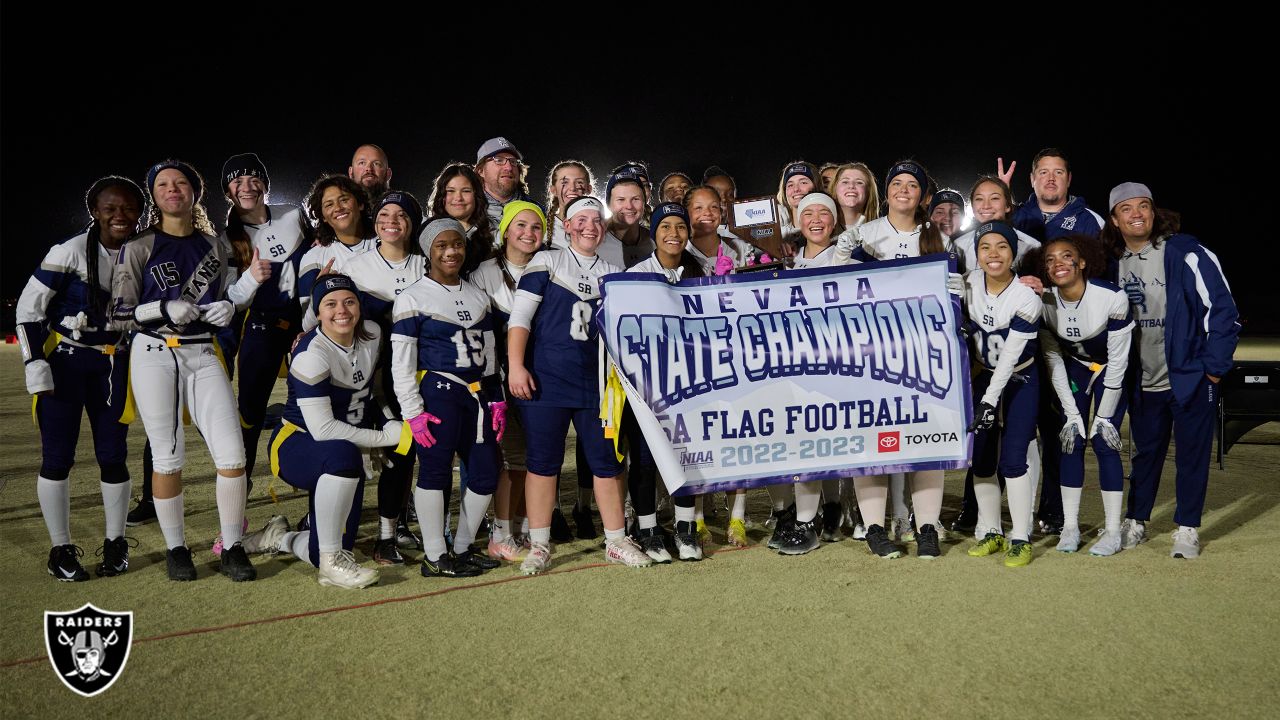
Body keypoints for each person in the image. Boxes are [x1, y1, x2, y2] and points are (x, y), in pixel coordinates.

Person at [109, 159, 254, 582]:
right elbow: (119, 313)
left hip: (203, 351)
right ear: (154, 195)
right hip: (154, 352)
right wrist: (160, 307)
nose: (173, 189)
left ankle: (232, 546)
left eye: (181, 183)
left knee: (232, 455)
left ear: (195, 191)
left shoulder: (216, 246)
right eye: (164, 185)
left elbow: (227, 298)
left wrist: (230, 305)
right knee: (168, 458)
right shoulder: (137, 247)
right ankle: (176, 549)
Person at [506, 196, 653, 573]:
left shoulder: (612, 269)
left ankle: (616, 539)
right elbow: (520, 317)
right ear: (567, 226)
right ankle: (539, 544)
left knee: (606, 464)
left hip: (596, 384)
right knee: (543, 463)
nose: (590, 226)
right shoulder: (547, 260)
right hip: (547, 379)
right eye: (581, 220)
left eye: (596, 220)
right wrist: (516, 365)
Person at [18, 176, 144, 581]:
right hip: (66, 366)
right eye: (110, 207)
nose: (119, 215)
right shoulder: (70, 251)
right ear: (94, 211)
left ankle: (115, 541)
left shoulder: (145, 251)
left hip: (113, 365)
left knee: (113, 455)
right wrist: (34, 362)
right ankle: (60, 548)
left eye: (127, 207)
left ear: (139, 211)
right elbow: (26, 310)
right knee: (57, 458)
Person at [1105, 183, 1239, 558]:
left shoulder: (1186, 252)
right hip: (1142, 380)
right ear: (1114, 219)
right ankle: (1137, 521)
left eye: (1143, 206)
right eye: (1126, 208)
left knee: (1192, 455)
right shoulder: (1109, 263)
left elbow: (1223, 312)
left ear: (1154, 212)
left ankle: (1187, 527)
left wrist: (1212, 369)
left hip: (1189, 377)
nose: (1136, 214)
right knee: (1144, 455)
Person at [244, 275, 401, 588]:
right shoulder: (311, 353)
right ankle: (331, 565)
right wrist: (383, 438)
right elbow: (324, 427)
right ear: (317, 312)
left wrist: (385, 420)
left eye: (349, 301)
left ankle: (281, 538)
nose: (341, 310)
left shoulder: (372, 333)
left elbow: (375, 390)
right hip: (297, 443)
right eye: (330, 304)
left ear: (359, 305)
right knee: (343, 453)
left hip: (343, 450)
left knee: (329, 545)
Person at [846, 160, 953, 559]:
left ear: (923, 195)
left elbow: (956, 290)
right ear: (887, 190)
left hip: (923, 354)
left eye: (912, 185)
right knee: (871, 440)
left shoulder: (938, 236)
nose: (904, 190)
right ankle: (875, 527)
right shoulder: (865, 233)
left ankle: (927, 527)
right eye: (897, 183)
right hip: (870, 354)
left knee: (926, 438)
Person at [392, 218, 506, 577]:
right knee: (435, 472)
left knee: (487, 471)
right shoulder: (412, 296)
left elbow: (490, 355)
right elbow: (402, 364)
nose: (451, 251)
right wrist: (412, 411)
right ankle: (435, 556)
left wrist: (497, 396)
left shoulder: (477, 296)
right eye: (442, 246)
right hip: (437, 393)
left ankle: (461, 547)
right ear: (428, 251)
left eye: (456, 244)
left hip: (476, 397)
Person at [340, 192, 427, 564]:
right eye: (384, 214)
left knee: (420, 453)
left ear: (412, 222)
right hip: (376, 376)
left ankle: (403, 526)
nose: (392, 220)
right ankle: (380, 534)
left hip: (424, 368)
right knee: (395, 450)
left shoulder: (427, 263)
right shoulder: (356, 266)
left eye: (401, 214)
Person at [217, 153, 312, 492]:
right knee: (250, 413)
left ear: (266, 184)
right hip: (262, 327)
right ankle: (240, 483)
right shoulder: (228, 239)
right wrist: (253, 279)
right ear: (228, 190)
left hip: (307, 323)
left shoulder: (292, 213)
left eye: (254, 178)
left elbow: (318, 249)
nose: (247, 186)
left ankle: (316, 478)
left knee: (316, 403)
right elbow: (231, 300)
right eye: (237, 180)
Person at [1037, 234, 1133, 555]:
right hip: (1076, 368)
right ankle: (1070, 527)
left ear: (1081, 262)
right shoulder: (1045, 302)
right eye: (1050, 260)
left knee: (1105, 442)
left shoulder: (1111, 297)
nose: (1058, 264)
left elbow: (1118, 360)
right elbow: (1053, 359)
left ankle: (1112, 530)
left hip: (1111, 370)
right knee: (1071, 440)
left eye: (1066, 257)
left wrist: (1103, 415)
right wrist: (1072, 413)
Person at [624, 202, 709, 561]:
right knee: (643, 459)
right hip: (645, 383)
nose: (673, 234)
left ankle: (686, 527)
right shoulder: (636, 273)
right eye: (665, 227)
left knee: (687, 454)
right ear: (654, 233)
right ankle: (647, 528)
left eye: (680, 226)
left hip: (690, 381)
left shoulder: (700, 271)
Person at [961, 222, 1043, 567]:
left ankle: (1021, 537)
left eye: (1002, 247)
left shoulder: (1026, 296)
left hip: (1020, 379)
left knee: (1012, 459)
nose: (993, 254)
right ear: (976, 253)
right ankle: (992, 530)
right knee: (982, 459)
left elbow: (1010, 357)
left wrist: (987, 400)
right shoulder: (965, 284)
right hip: (984, 377)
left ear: (1013, 253)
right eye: (985, 247)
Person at [471, 201, 548, 561]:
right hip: (498, 376)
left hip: (542, 375)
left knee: (536, 457)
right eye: (521, 225)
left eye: (536, 227)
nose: (529, 233)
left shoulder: (551, 263)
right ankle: (500, 531)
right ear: (504, 231)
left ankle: (521, 526)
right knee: (512, 457)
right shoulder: (484, 272)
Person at [298, 175, 377, 323]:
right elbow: (307, 324)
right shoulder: (314, 257)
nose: (338, 208)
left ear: (360, 204)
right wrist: (318, 292)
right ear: (323, 217)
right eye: (329, 205)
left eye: (344, 200)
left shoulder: (385, 241)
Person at [1007, 148, 1104, 241]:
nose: (1051, 178)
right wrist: (999, 193)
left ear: (1068, 179)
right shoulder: (1013, 216)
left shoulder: (1090, 220)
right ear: (1032, 179)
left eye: (1058, 172)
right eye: (1044, 172)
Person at [426, 162, 493, 280]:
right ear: (441, 196)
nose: (458, 198)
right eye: (450, 191)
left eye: (466, 191)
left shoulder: (493, 233)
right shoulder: (426, 234)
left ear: (476, 195)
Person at [475, 136, 533, 230]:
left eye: (513, 161)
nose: (509, 167)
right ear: (481, 171)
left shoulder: (538, 211)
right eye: (499, 160)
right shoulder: (466, 214)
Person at [604, 166, 652, 268]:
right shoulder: (594, 238)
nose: (629, 206)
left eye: (635, 199)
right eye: (621, 200)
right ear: (609, 204)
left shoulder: (655, 241)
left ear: (644, 203)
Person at [544, 160, 594, 252]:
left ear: (588, 189)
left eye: (579, 182)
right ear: (553, 190)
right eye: (565, 183)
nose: (572, 188)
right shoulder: (541, 228)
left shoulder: (599, 228)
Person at [775, 161, 821, 237]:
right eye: (790, 185)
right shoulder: (777, 227)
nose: (796, 189)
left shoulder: (827, 227)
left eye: (803, 183)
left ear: (816, 186)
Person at [829, 162, 880, 229]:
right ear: (834, 188)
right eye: (845, 182)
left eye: (859, 182)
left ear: (869, 191)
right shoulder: (822, 231)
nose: (851, 186)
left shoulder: (882, 230)